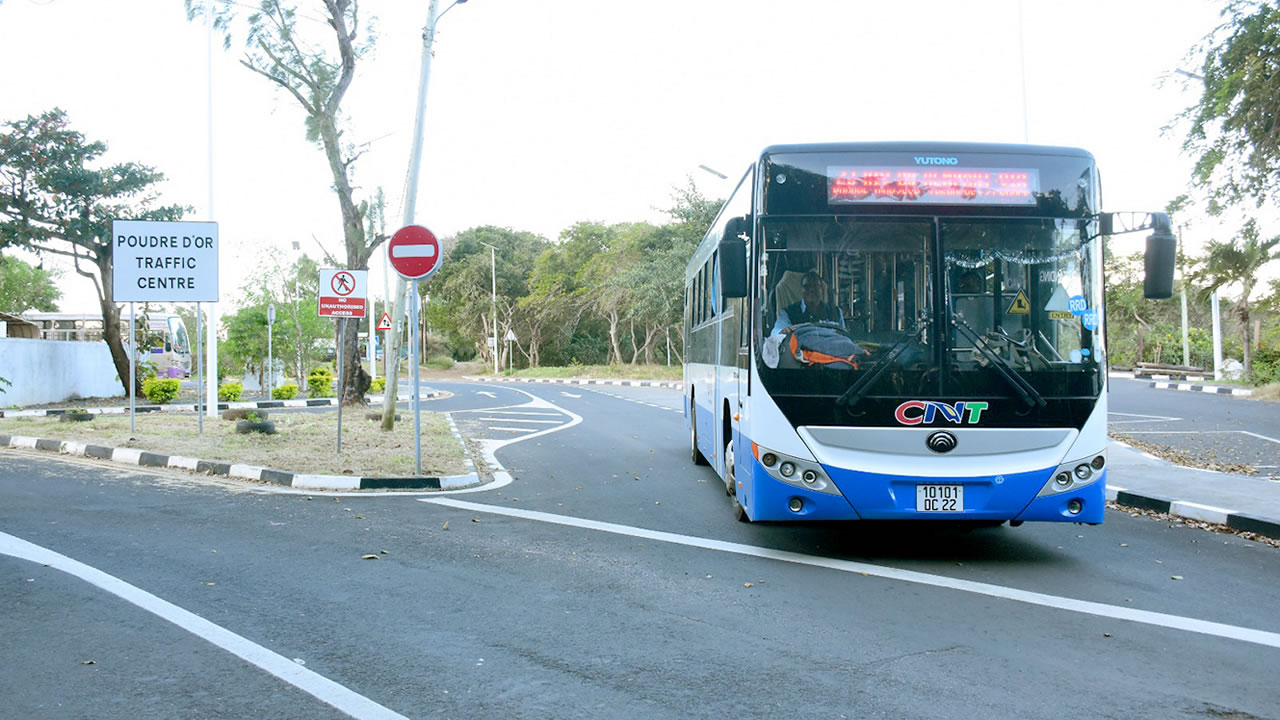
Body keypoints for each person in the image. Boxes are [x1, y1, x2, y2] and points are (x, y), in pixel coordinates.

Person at [772, 270, 844, 334]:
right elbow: (777, 332)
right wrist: (783, 332)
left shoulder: (836, 312)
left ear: (822, 289)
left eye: (815, 286)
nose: (811, 290)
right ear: (801, 290)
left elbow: (844, 337)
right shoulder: (787, 313)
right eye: (807, 287)